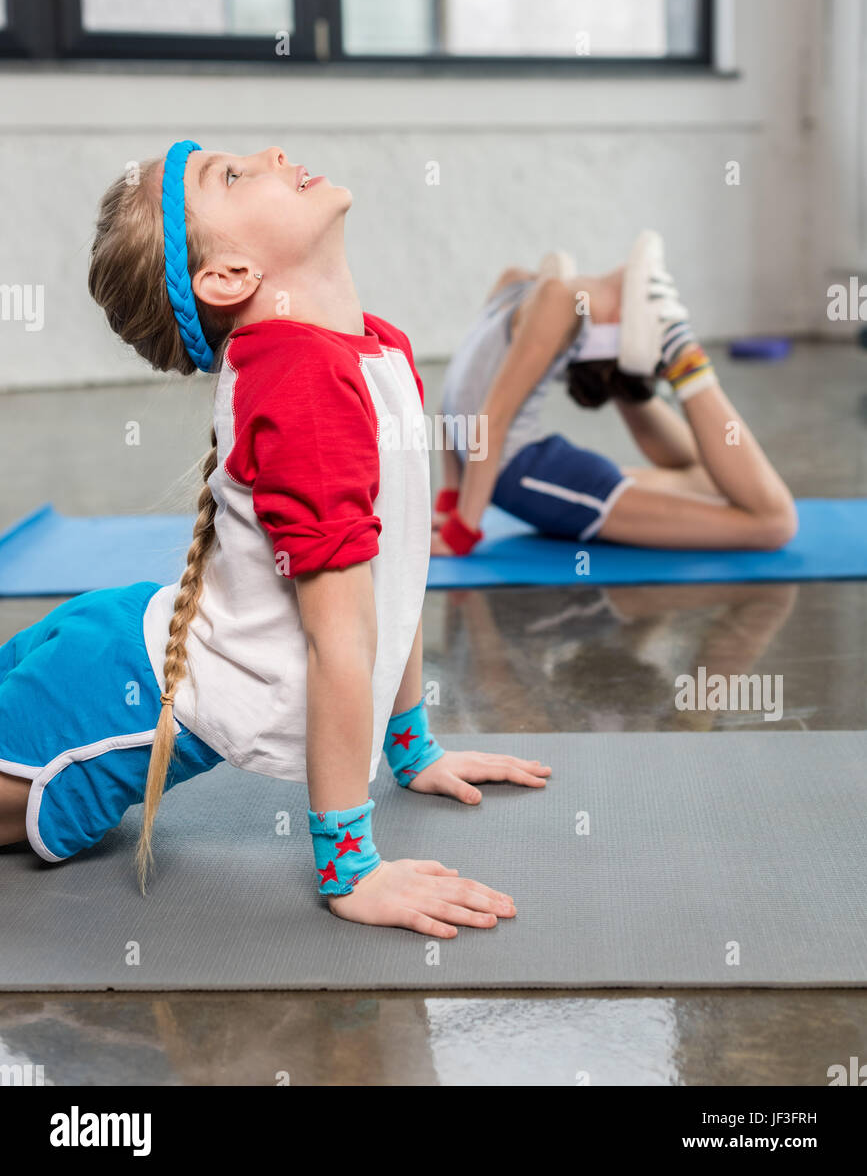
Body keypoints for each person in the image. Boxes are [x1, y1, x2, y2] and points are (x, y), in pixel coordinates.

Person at [0, 141, 551, 939]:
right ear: (226, 277)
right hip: (105, 705)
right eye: (229, 175)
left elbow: (391, 587)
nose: (272, 153)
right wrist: (349, 868)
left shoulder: (376, 350)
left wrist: (413, 749)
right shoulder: (303, 382)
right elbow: (339, 641)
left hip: (127, 643)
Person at [431, 234, 798, 557]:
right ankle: (679, 345)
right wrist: (461, 533)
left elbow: (452, 395)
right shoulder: (558, 299)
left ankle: (638, 360)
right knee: (773, 523)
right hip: (531, 476)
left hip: (532, 474)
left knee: (706, 477)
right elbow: (489, 421)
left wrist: (451, 501)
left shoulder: (515, 283)